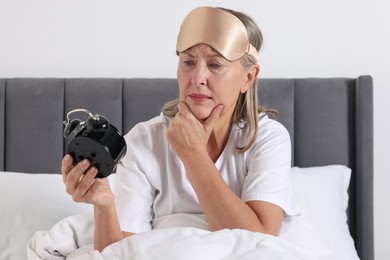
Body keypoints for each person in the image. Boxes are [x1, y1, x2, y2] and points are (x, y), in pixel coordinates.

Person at [61, 6, 299, 252]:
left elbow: (260, 243)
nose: (197, 78)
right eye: (188, 61)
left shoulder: (268, 138)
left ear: (248, 78)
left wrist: (192, 153)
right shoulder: (144, 141)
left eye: (215, 65)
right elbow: (119, 253)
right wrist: (104, 205)